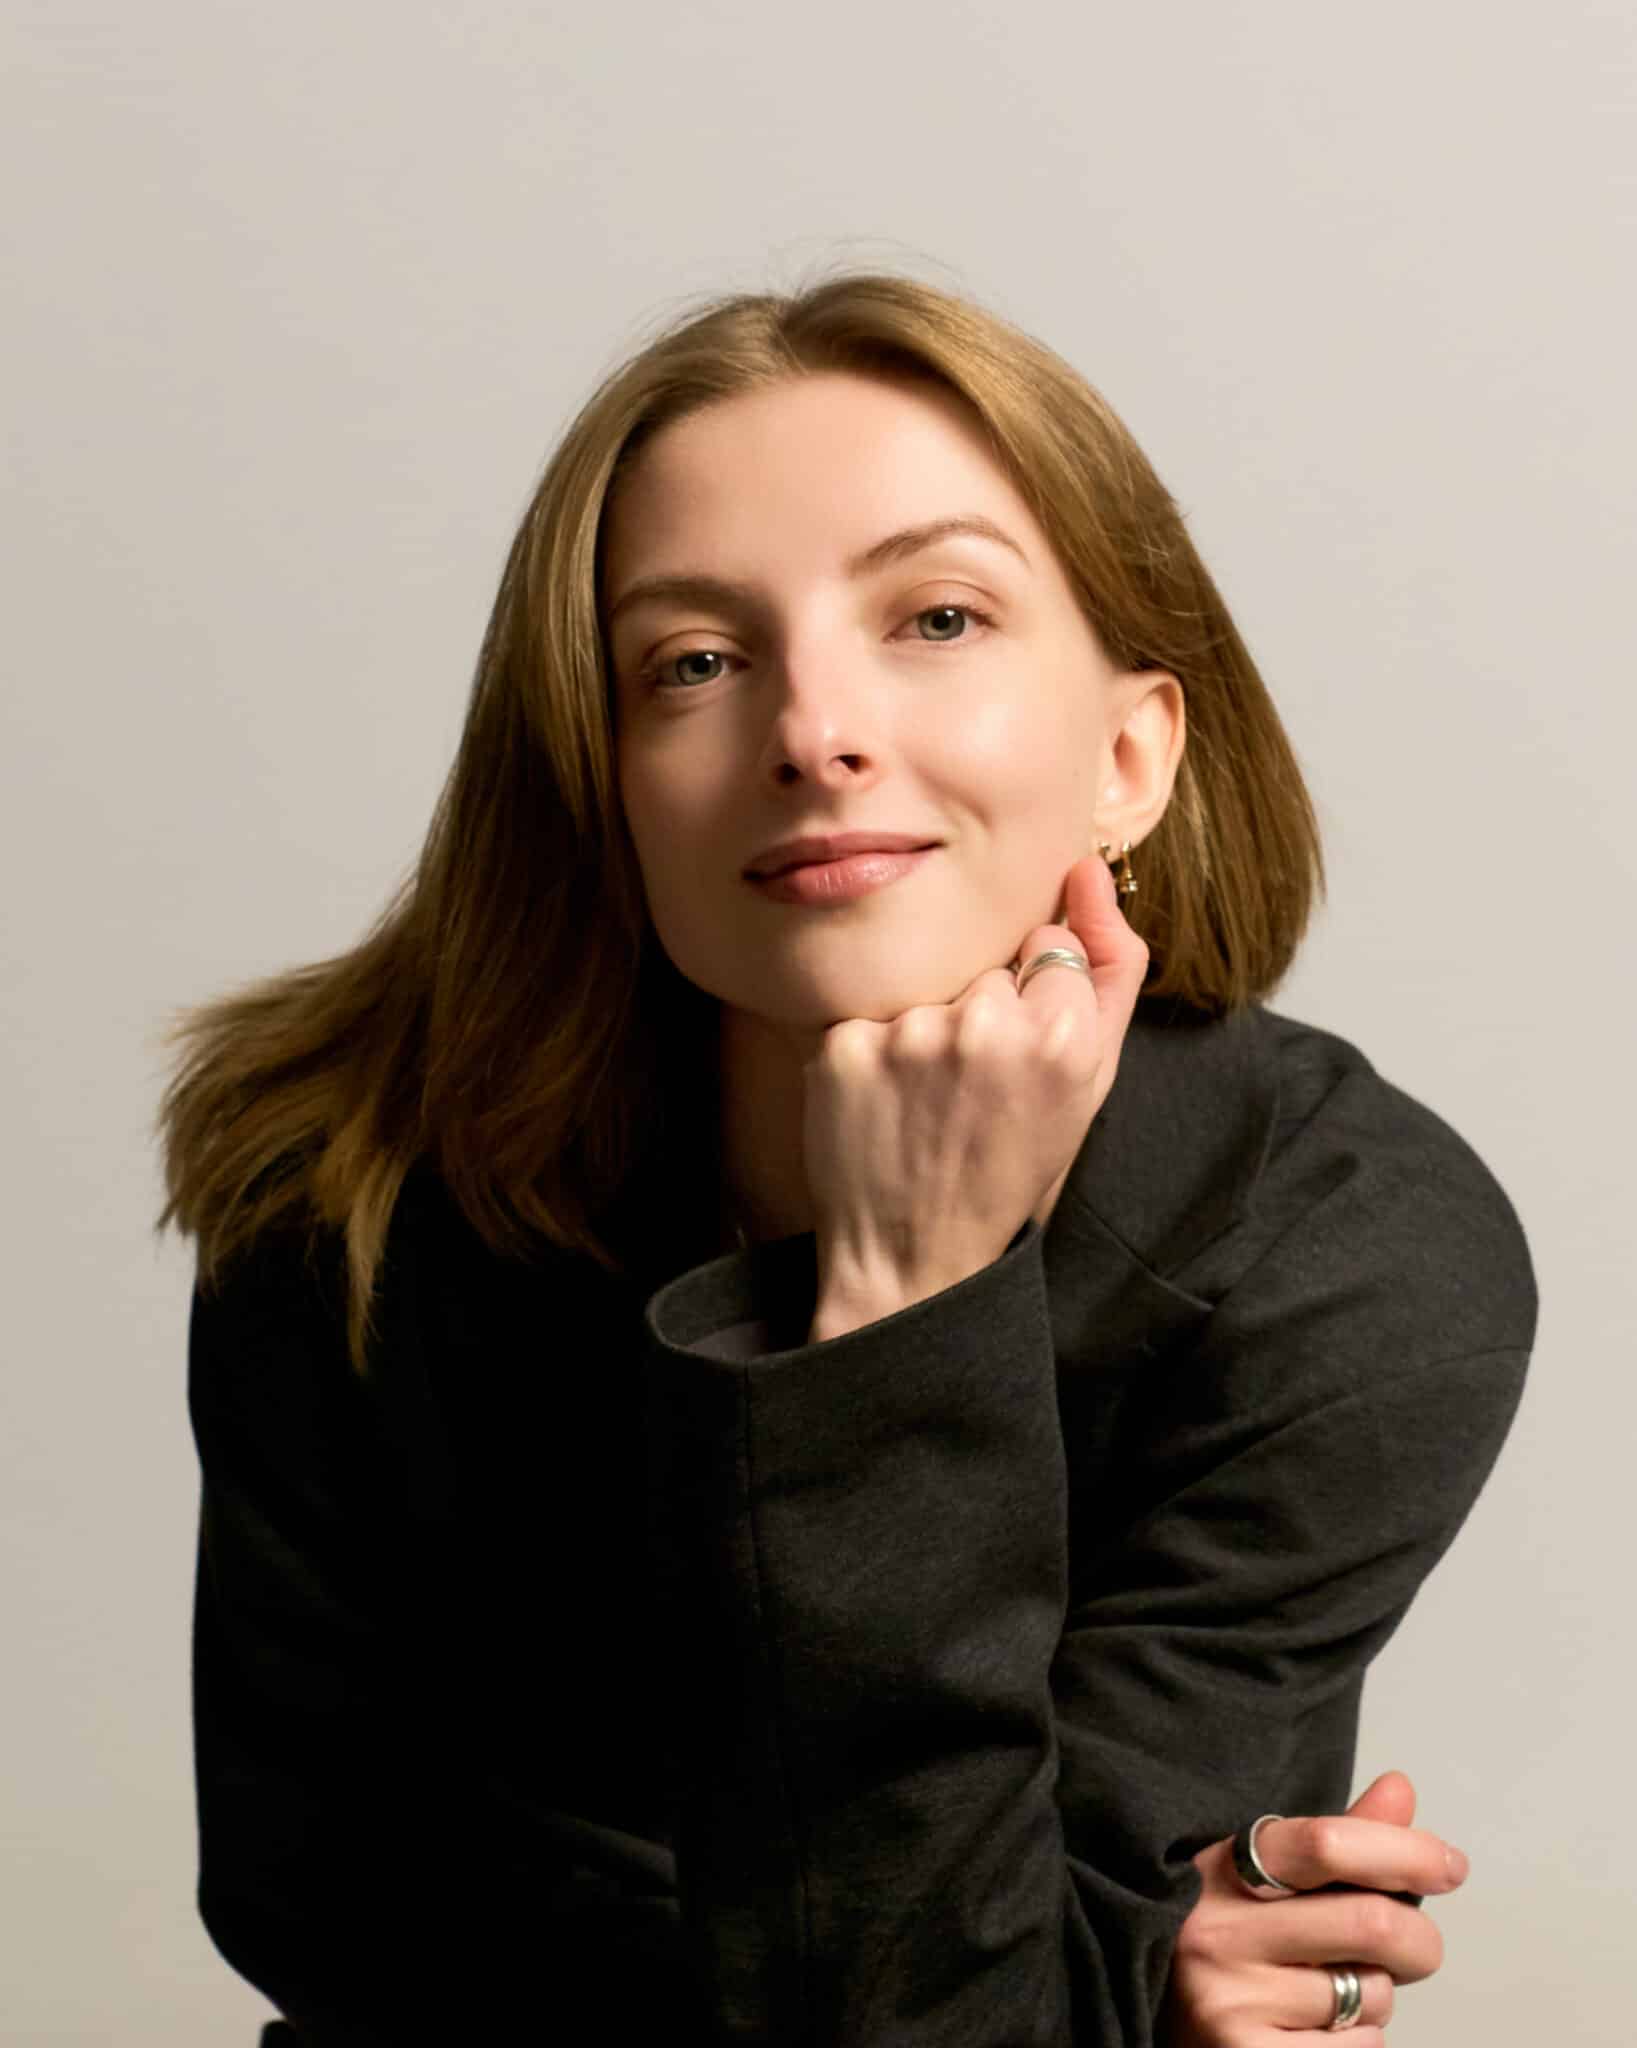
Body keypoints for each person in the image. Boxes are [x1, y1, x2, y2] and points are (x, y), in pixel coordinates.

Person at [154, 270, 1536, 2046]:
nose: (813, 731)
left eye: (938, 618)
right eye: (697, 663)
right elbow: (332, 1912)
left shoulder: (1345, 1248)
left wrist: (902, 1316)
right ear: (606, 778)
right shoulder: (349, 1190)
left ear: (1127, 755)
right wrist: (1091, 1990)